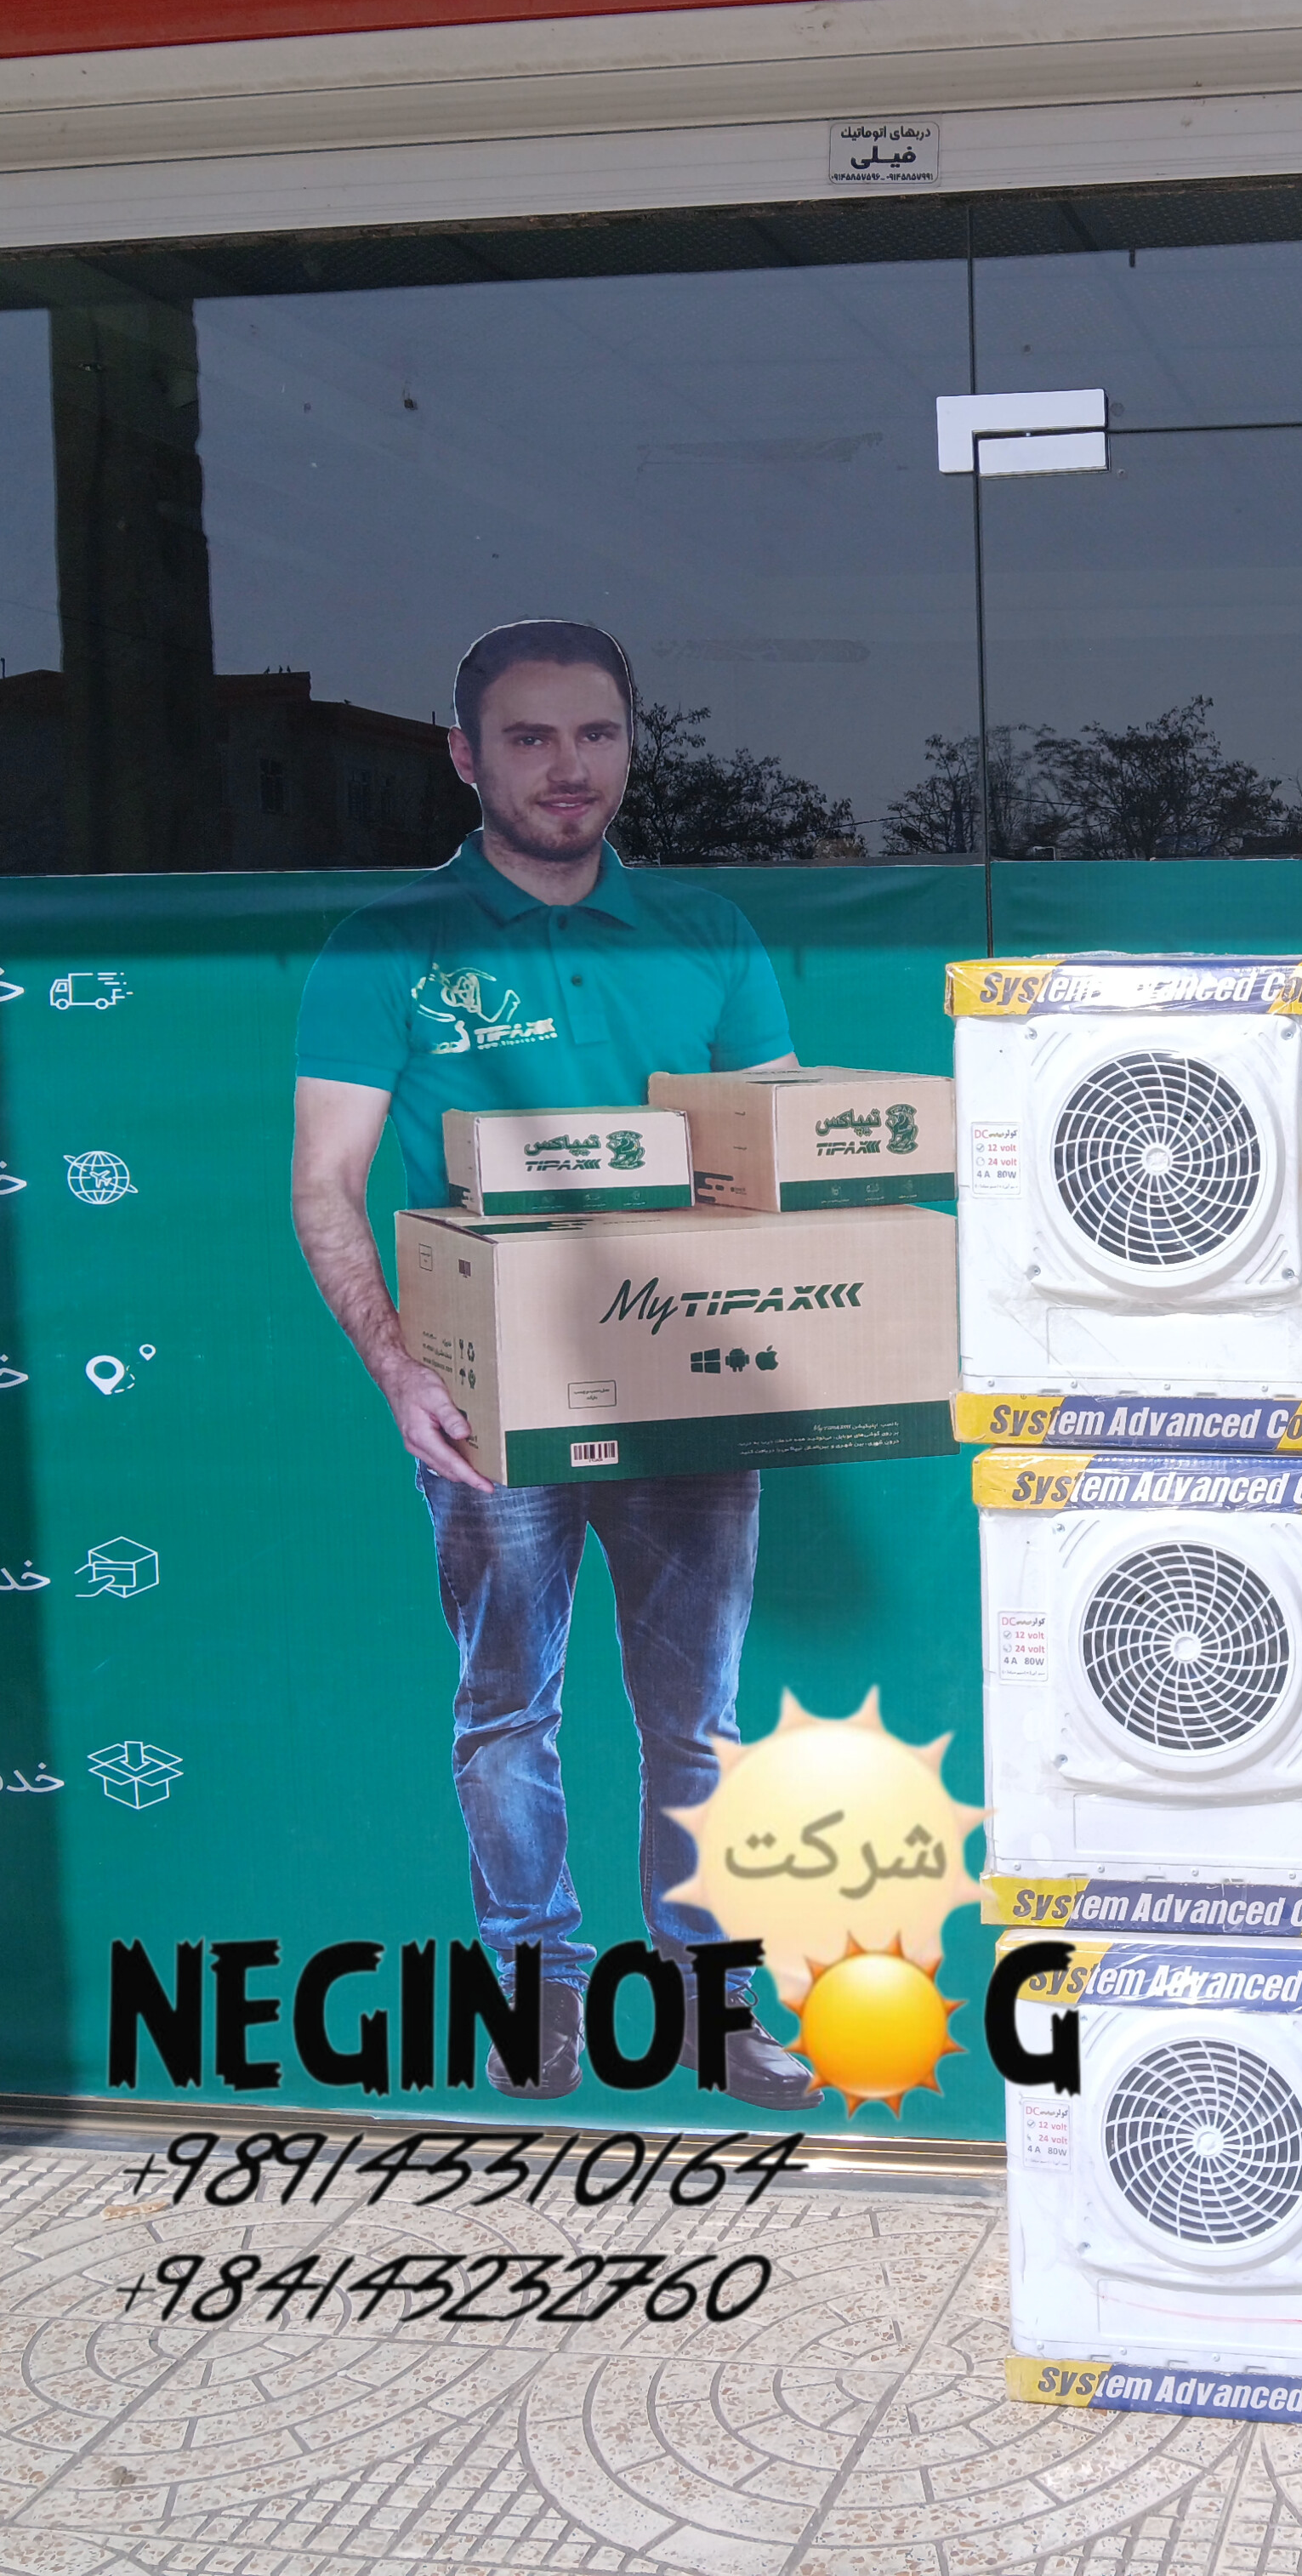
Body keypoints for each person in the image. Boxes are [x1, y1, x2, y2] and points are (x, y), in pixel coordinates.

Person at [291, 617, 814, 2109]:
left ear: (632, 746)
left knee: (698, 1720)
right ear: (466, 758)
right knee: (507, 1711)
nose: (567, 767)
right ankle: (538, 1993)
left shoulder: (706, 934)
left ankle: (711, 2001)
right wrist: (399, 1371)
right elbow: (326, 1180)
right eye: (529, 737)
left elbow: (775, 1170)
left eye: (595, 734)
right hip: (489, 1408)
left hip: (687, 1400)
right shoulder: (390, 945)